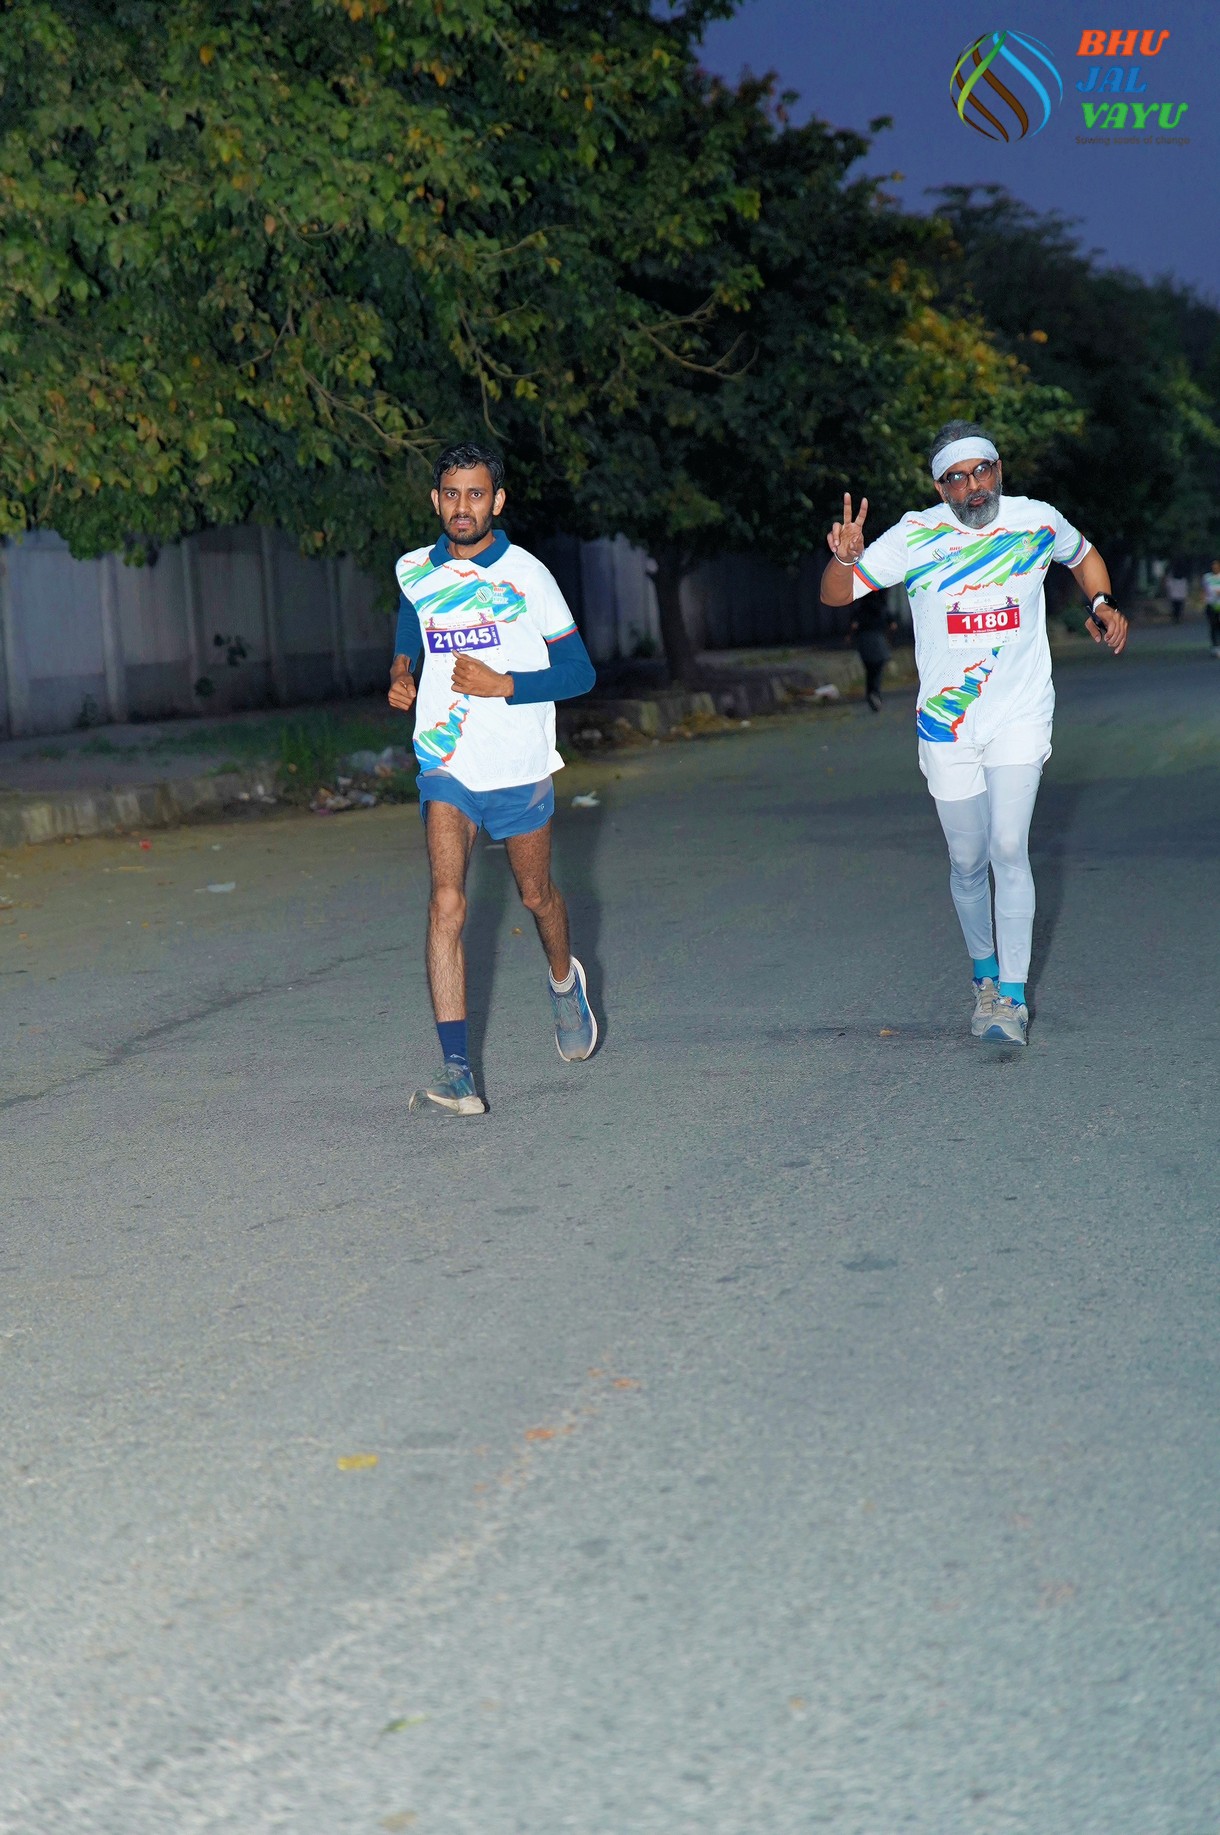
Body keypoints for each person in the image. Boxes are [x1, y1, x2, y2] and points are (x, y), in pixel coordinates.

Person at [819, 420, 1128, 1046]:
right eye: (956, 478)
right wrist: (844, 559)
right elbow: (834, 596)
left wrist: (1099, 604)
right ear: (941, 488)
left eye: (981, 470)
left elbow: (1084, 555)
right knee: (968, 860)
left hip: (1019, 713)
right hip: (947, 724)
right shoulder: (916, 534)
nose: (973, 486)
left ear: (998, 470)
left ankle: (1010, 997)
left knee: (1009, 847)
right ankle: (984, 975)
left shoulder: (1036, 520)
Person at [389, 442, 599, 1114]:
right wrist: (401, 670)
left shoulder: (529, 576)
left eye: (476, 494)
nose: (463, 507)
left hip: (519, 766)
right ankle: (458, 1071)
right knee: (446, 902)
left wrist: (504, 684)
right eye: (451, 494)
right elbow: (412, 619)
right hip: (447, 763)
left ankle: (564, 983)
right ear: (436, 500)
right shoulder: (415, 569)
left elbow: (580, 673)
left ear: (497, 501)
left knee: (536, 896)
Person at [847, 594, 899, 711]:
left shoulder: (860, 608)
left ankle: (870, 692)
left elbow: (854, 625)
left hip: (864, 641)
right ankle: (875, 693)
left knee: (869, 669)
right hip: (879, 640)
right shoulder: (882, 607)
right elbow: (893, 625)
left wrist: (851, 636)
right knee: (877, 669)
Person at [1202, 560, 1220, 656]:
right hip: (1211, 605)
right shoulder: (1207, 577)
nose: (1215, 568)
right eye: (1213, 566)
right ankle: (1215, 646)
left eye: (1217, 566)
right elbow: (1204, 590)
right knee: (1213, 625)